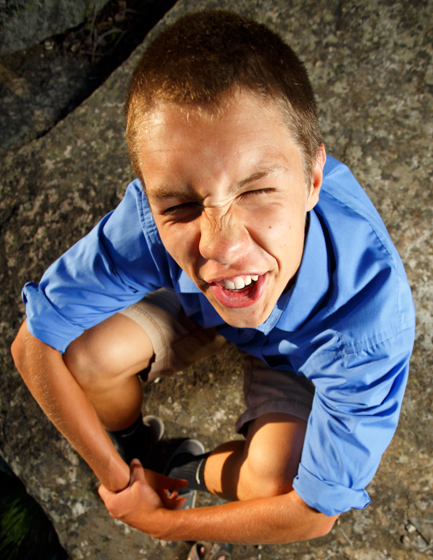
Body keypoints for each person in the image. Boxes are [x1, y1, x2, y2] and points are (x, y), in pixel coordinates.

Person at [11, 8, 415, 554]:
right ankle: (139, 447)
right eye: (178, 202)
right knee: (85, 359)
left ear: (314, 179)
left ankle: (186, 470)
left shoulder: (371, 319)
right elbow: (34, 344)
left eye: (256, 190)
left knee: (276, 483)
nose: (221, 246)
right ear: (151, 196)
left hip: (304, 356)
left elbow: (315, 514)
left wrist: (162, 521)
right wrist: (120, 477)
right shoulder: (152, 225)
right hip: (199, 303)